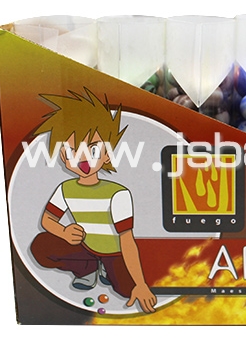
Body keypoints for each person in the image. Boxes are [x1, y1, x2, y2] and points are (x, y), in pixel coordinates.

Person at [29, 88, 157, 313]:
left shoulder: (117, 193)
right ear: (63, 156)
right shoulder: (66, 188)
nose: (83, 159)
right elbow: (48, 220)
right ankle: (87, 269)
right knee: (41, 246)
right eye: (72, 151)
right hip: (85, 246)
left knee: (127, 290)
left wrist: (140, 283)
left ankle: (107, 269)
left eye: (93, 150)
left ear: (107, 153)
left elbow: (126, 239)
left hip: (113, 252)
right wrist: (64, 232)